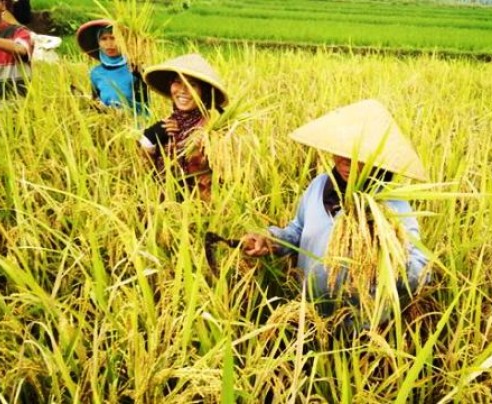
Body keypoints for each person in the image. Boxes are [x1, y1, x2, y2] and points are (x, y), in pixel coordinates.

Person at [241, 99, 429, 319]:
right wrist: (272, 240)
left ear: (378, 158)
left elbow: (422, 272)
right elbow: (298, 231)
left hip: (360, 331)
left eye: (359, 153)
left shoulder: (392, 208)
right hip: (308, 317)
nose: (346, 160)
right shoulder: (319, 185)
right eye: (341, 149)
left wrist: (384, 247)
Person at [139, 53, 228, 200]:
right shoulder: (169, 123)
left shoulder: (213, 129)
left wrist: (203, 148)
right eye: (177, 82)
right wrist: (148, 139)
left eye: (192, 84)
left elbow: (223, 176)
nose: (182, 90)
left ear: (203, 91)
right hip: (163, 205)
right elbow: (147, 170)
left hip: (199, 210)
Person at [76, 19, 148, 114]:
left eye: (113, 38)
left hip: (134, 124)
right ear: (98, 42)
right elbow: (96, 101)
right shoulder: (95, 73)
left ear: (124, 41)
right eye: (104, 39)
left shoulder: (135, 69)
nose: (109, 44)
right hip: (109, 123)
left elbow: (147, 104)